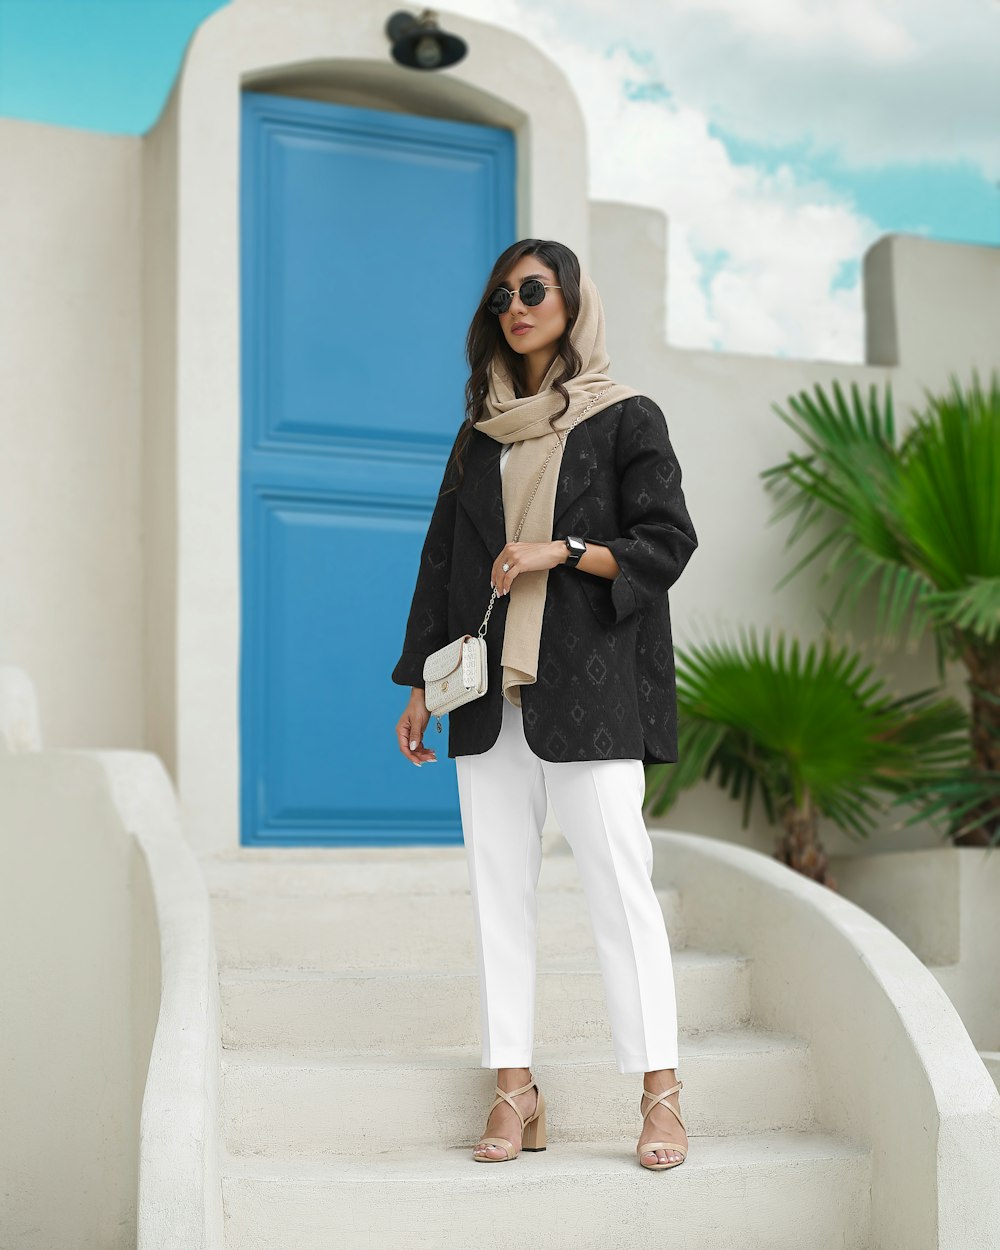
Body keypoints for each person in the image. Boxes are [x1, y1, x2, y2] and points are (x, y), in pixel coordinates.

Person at [391, 239, 698, 1171]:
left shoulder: (625, 417)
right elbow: (442, 562)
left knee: (619, 891)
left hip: (592, 693)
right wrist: (416, 683)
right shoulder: (478, 435)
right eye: (501, 298)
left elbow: (666, 540)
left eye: (535, 290)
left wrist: (560, 550)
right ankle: (515, 1091)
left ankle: (661, 1095)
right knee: (498, 897)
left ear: (572, 302)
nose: (515, 307)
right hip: (489, 697)